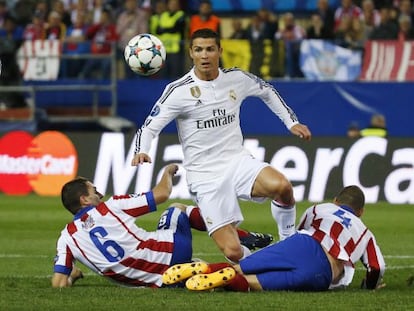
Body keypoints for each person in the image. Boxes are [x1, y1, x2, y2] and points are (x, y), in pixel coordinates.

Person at [131, 28, 312, 264]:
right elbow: (149, 127)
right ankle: (251, 253)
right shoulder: (178, 91)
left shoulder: (236, 78)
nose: (204, 55)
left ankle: (288, 241)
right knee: (233, 253)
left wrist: (291, 122)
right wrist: (141, 150)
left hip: (237, 161)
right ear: (191, 53)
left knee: (282, 186)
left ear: (220, 51)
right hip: (205, 175)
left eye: (209, 49)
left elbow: (267, 90)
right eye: (198, 50)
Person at [52, 164, 273, 288]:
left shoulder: (66, 238)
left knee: (196, 269)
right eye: (93, 190)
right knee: (178, 208)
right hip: (172, 250)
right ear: (84, 199)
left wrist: (72, 275)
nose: (99, 193)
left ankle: (215, 272)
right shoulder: (111, 206)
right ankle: (239, 235)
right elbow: (162, 194)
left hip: (156, 281)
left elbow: (58, 284)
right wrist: (167, 173)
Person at [162, 185, 386, 292]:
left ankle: (205, 268)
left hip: (302, 244)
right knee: (253, 285)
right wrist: (370, 285)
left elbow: (300, 231)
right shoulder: (365, 233)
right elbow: (376, 267)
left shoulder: (321, 208)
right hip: (322, 272)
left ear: (336, 200)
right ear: (361, 212)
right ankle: (227, 279)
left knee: (242, 267)